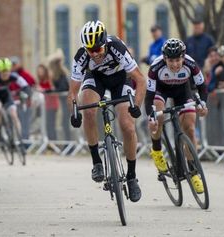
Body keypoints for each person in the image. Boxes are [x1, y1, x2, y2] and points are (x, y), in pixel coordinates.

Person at [67, 20, 146, 202]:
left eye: (97, 49)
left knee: (127, 125)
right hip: (96, 80)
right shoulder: (81, 55)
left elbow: (140, 80)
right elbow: (72, 90)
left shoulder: (117, 47)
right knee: (88, 111)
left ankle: (132, 176)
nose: (94, 54)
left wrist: (137, 106)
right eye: (90, 50)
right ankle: (97, 162)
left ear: (104, 43)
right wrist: (74, 112)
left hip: (120, 80)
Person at [144, 38, 208, 194]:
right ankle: (157, 150)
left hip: (182, 91)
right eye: (171, 60)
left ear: (183, 57)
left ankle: (193, 172)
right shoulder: (155, 67)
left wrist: (203, 105)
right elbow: (149, 96)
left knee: (190, 129)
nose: (175, 64)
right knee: (158, 116)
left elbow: (202, 87)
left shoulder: (191, 64)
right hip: (161, 91)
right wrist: (151, 117)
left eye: (178, 60)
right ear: (165, 58)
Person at [0, 58, 31, 146]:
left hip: (5, 95)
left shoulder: (13, 76)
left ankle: (19, 138)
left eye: (7, 72)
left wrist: (25, 94)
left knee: (13, 114)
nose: (6, 74)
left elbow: (25, 86)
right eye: (3, 73)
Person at [36, 64, 59, 140]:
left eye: (41, 71)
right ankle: (48, 142)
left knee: (51, 125)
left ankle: (53, 142)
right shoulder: (39, 81)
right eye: (38, 71)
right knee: (45, 125)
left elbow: (53, 89)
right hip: (44, 106)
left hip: (51, 105)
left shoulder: (50, 79)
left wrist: (44, 90)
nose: (40, 72)